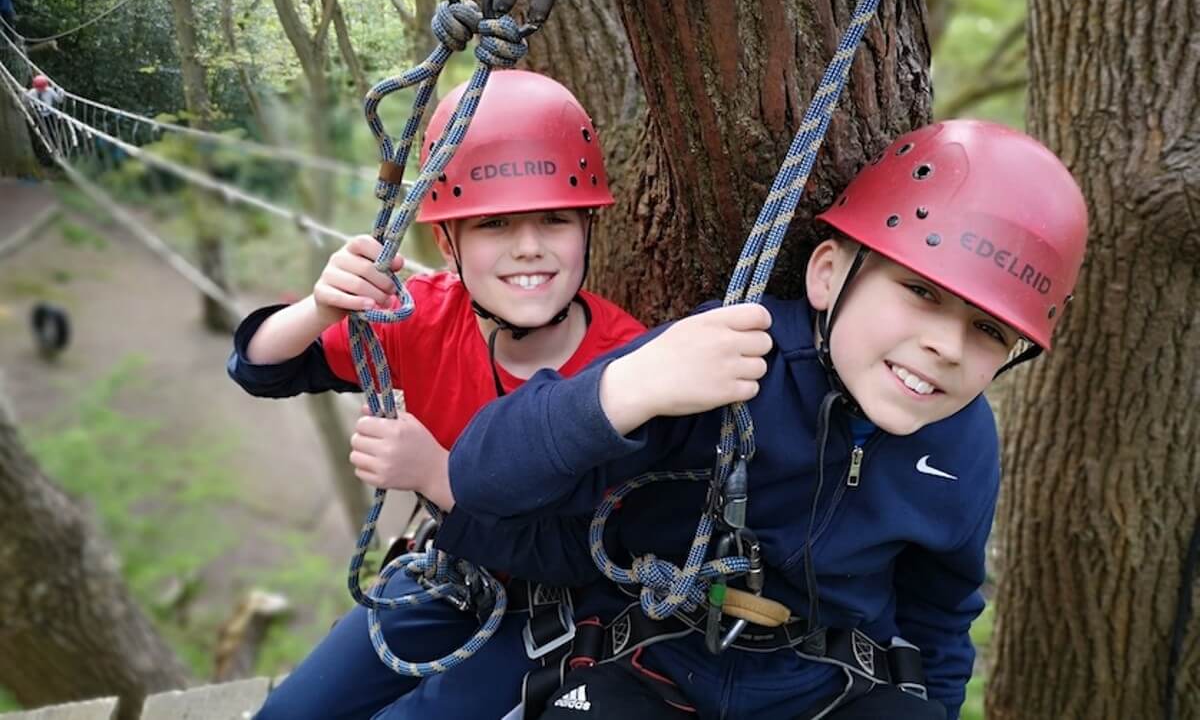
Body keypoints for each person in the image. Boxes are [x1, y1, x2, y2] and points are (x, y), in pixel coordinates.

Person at [440, 120, 1090, 720]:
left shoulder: (961, 444)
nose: (947, 347)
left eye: (987, 331)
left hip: (826, 690)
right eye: (920, 292)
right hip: (649, 666)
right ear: (829, 274)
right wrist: (628, 387)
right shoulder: (729, 353)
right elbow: (483, 477)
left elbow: (940, 617)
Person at [226, 69, 646, 720]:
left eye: (555, 219)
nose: (529, 249)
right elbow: (262, 367)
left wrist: (436, 474)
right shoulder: (423, 318)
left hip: (557, 613)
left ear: (587, 227)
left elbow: (594, 554)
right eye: (495, 225)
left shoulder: (625, 368)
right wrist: (318, 306)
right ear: (447, 243)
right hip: (450, 580)